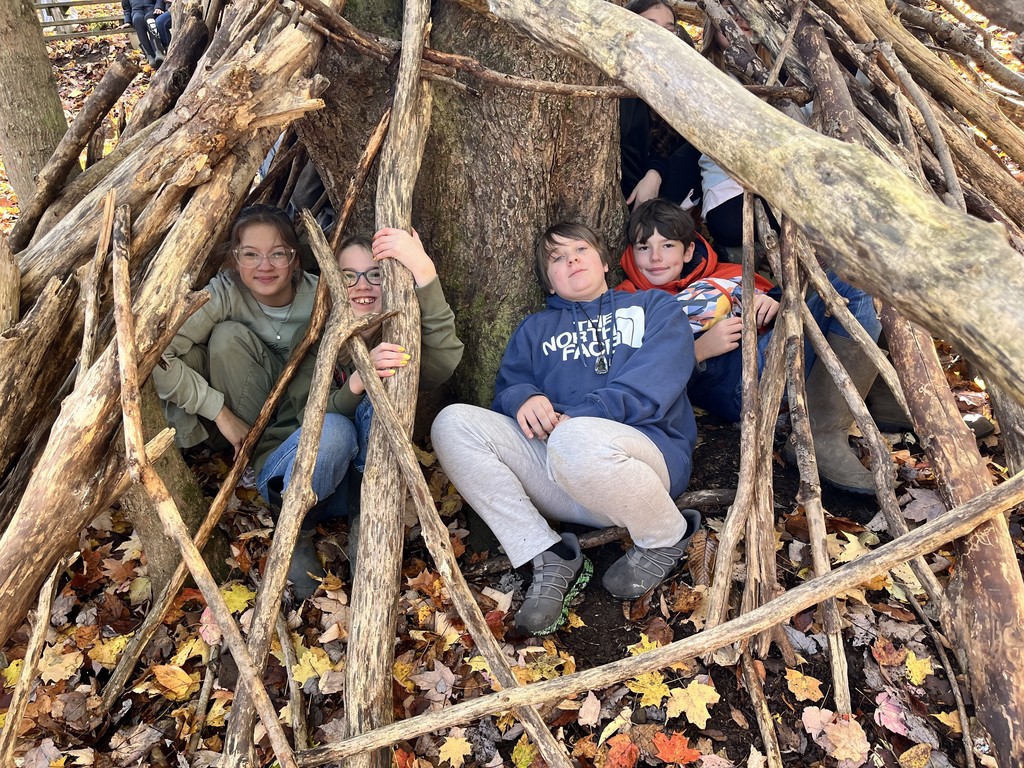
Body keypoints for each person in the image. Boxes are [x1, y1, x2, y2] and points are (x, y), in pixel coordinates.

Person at [432, 223, 702, 636]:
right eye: (557, 258)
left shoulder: (654, 308)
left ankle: (664, 535)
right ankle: (548, 552)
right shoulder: (535, 330)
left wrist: (582, 416)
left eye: (580, 249)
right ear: (550, 281)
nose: (571, 259)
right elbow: (509, 387)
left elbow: (658, 379)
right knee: (452, 423)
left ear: (605, 261)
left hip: (640, 463)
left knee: (576, 438)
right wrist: (523, 398)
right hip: (562, 471)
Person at [618, 199, 884, 494]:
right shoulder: (630, 304)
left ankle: (874, 397)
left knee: (855, 274)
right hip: (739, 386)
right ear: (631, 251)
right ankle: (821, 435)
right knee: (852, 283)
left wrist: (775, 300)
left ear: (689, 249)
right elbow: (638, 376)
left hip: (780, 354)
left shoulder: (722, 274)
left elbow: (783, 295)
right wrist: (698, 352)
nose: (655, 257)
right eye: (644, 247)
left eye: (667, 246)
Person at [273, 228, 464, 595]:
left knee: (384, 398)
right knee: (335, 431)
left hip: (360, 490)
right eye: (348, 276)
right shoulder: (314, 336)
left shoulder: (397, 333)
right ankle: (298, 531)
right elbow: (306, 419)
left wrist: (424, 271)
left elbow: (443, 363)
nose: (362, 286)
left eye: (375, 275)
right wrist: (358, 381)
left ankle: (367, 527)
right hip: (296, 477)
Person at [620, 0, 702, 211]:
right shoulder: (618, 81)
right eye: (650, 25)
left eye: (669, 29)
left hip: (662, 196)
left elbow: (676, 148)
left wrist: (654, 174)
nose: (661, 35)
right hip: (624, 194)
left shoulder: (676, 84)